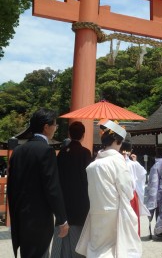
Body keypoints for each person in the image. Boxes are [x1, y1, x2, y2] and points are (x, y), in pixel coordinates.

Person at [7, 108, 69, 258]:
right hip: (39, 218)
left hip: (20, 216)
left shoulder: (18, 152)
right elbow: (52, 188)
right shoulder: (46, 151)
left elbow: (12, 187)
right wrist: (62, 219)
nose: (55, 128)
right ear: (46, 127)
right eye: (55, 125)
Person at [76, 119, 142, 258]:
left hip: (96, 210)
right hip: (113, 212)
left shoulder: (94, 164)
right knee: (112, 249)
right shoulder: (117, 160)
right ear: (117, 141)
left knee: (97, 247)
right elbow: (127, 190)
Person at [50, 121, 93, 258]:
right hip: (80, 203)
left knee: (60, 241)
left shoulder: (62, 153)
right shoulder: (85, 153)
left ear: (69, 134)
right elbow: (88, 179)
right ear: (83, 135)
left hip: (62, 202)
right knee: (77, 242)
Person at [120, 137, 150, 236]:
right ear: (130, 151)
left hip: (120, 195)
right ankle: (134, 237)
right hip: (132, 195)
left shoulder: (117, 163)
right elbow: (142, 174)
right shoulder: (133, 164)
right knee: (133, 217)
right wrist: (136, 161)